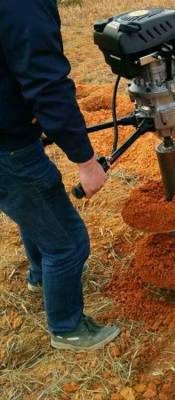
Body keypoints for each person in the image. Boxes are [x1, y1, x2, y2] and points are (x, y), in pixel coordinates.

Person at [0, 0, 119, 350]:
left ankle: (40, 277)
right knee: (68, 243)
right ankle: (67, 328)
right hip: (9, 147)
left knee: (33, 211)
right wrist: (85, 160)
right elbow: (46, 84)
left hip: (9, 130)